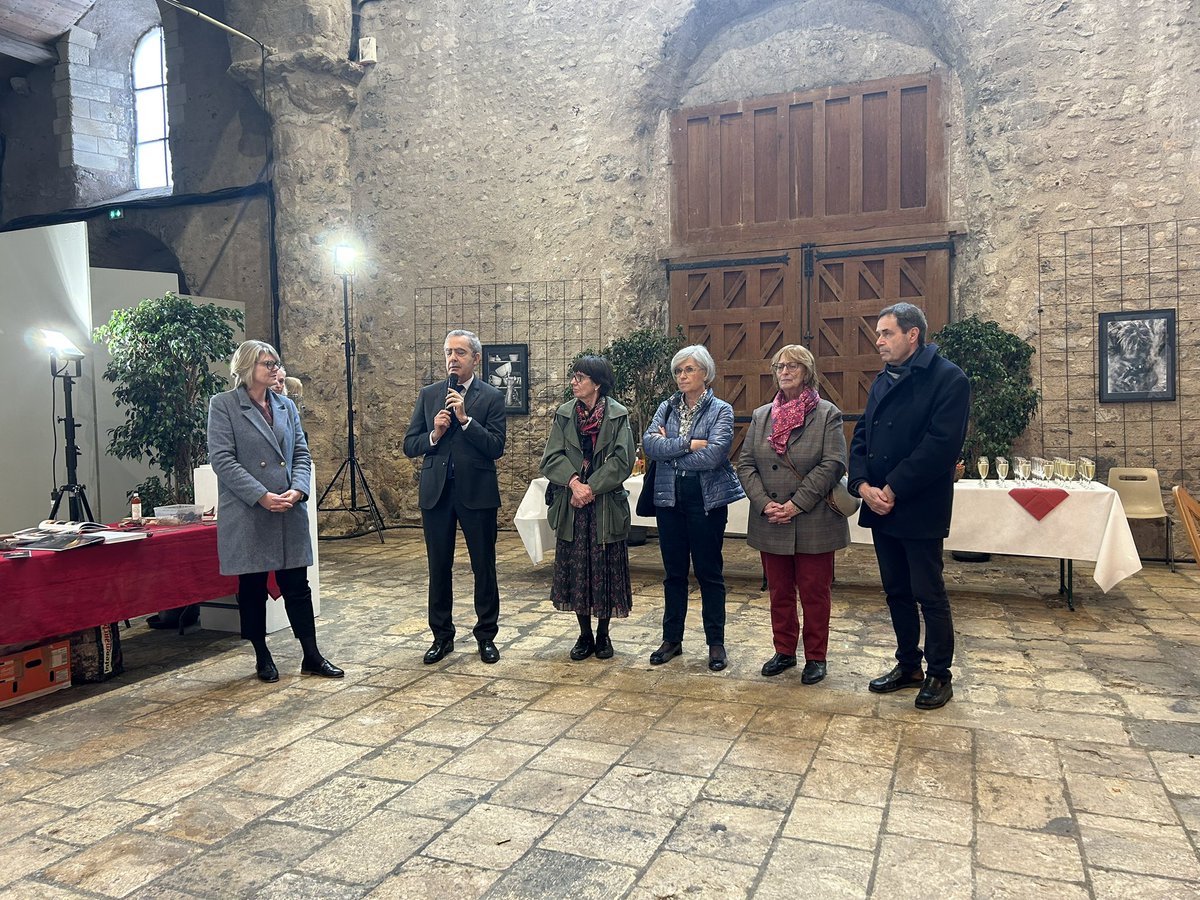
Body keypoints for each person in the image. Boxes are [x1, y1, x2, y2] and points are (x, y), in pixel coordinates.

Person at [848, 302, 969, 710]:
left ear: (912, 334)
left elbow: (940, 445)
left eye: (886, 333)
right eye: (878, 334)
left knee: (928, 593)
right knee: (896, 591)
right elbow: (863, 435)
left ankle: (939, 674)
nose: (878, 341)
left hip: (918, 505)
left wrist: (894, 487)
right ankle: (908, 665)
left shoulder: (949, 379)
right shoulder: (883, 380)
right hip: (880, 505)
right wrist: (862, 484)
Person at [207, 340, 342, 682]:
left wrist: (298, 489)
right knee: (251, 587)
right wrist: (261, 495)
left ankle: (311, 654)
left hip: (287, 509)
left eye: (275, 363)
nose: (274, 369)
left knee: (297, 585)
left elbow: (301, 451)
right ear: (247, 367)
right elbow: (222, 459)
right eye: (267, 363)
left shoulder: (285, 406)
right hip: (250, 511)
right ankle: (261, 654)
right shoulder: (223, 405)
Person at [737, 345, 849, 685]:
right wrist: (763, 503)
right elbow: (745, 464)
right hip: (771, 517)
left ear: (807, 372)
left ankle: (816, 657)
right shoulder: (760, 416)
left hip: (812, 518)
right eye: (779, 366)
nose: (784, 372)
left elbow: (833, 463)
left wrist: (796, 503)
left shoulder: (828, 414)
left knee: (815, 592)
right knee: (779, 591)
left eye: (793, 367)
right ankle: (784, 650)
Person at [403, 329, 507, 664]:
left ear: (475, 359)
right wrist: (434, 434)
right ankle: (441, 636)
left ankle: (486, 636)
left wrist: (465, 420)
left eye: (460, 353)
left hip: (477, 494)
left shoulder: (490, 396)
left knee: (483, 567)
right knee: (439, 568)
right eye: (449, 352)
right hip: (437, 495)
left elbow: (496, 447)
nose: (452, 359)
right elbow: (410, 445)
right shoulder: (430, 394)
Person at [642, 345, 745, 671]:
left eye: (688, 370)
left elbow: (714, 455)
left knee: (709, 573)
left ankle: (716, 643)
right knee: (673, 573)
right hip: (669, 498)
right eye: (678, 371)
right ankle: (671, 639)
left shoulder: (721, 410)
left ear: (705, 373)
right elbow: (649, 444)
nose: (682, 376)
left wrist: (669, 448)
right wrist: (688, 444)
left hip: (706, 500)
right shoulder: (666, 407)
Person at [540, 356, 635, 660]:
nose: (573, 382)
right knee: (577, 569)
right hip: (573, 506)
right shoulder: (564, 415)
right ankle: (584, 635)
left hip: (605, 505)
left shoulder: (618, 416)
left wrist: (590, 487)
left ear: (597, 382)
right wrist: (574, 483)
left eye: (579, 377)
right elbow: (551, 457)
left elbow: (623, 461)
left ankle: (604, 635)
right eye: (573, 376)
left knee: (605, 569)